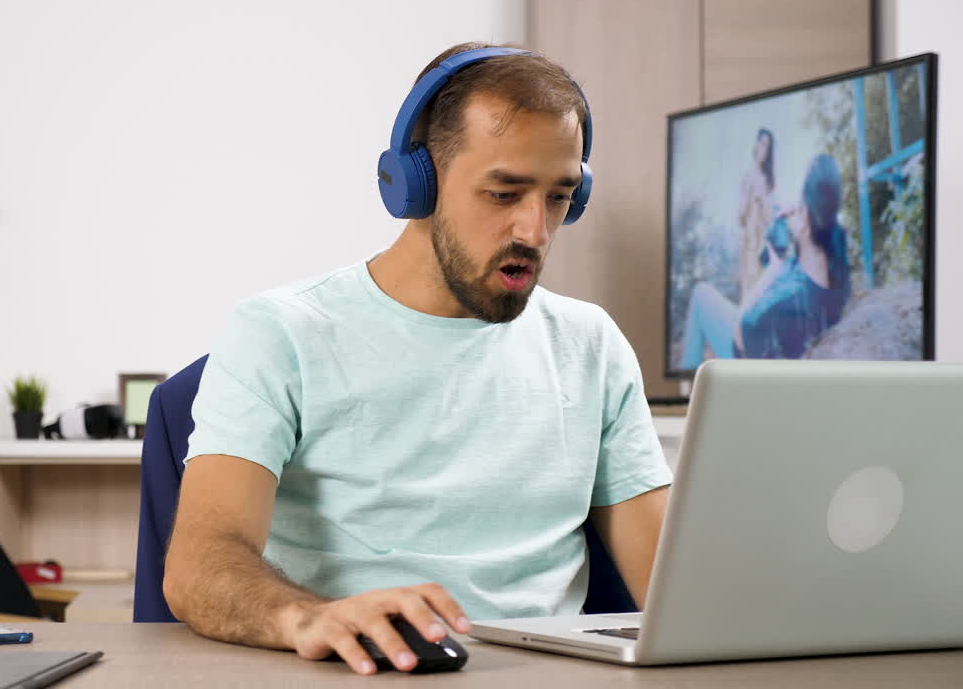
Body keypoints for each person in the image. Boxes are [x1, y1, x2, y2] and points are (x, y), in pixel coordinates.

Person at [163, 43, 673, 675]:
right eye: (504, 192)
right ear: (415, 184)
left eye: (559, 197)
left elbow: (674, 592)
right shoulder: (282, 331)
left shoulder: (591, 344)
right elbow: (201, 564)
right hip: (356, 670)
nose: (535, 231)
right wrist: (310, 618)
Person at [679, 153, 850, 368]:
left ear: (806, 220)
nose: (793, 211)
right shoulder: (836, 262)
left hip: (746, 357)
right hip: (782, 339)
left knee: (701, 294)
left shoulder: (787, 303)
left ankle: (690, 393)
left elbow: (740, 336)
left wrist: (773, 269)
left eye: (800, 206)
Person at [738, 128, 777, 300]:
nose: (764, 149)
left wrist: (762, 200)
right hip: (748, 244)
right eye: (761, 143)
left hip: (764, 245)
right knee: (748, 293)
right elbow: (740, 218)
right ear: (755, 144)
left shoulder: (768, 181)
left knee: (763, 293)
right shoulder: (746, 176)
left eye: (767, 146)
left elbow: (770, 220)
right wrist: (749, 197)